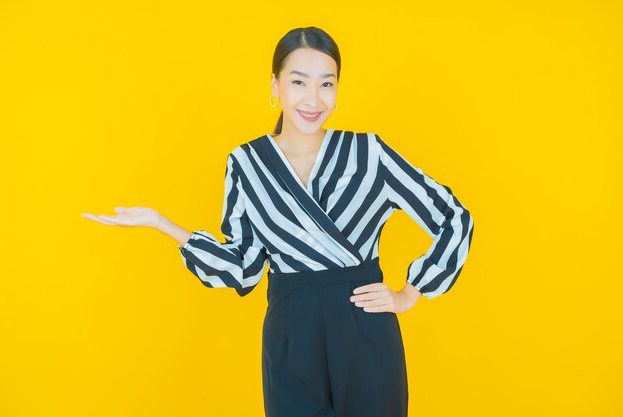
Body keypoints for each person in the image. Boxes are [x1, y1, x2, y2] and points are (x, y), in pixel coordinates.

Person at [82, 26, 475, 417]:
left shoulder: (368, 153)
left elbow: (453, 217)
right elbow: (243, 267)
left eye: (326, 84)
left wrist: (410, 293)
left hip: (364, 323)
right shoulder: (246, 164)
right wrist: (163, 224)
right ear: (275, 84)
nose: (313, 98)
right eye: (299, 81)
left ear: (338, 91)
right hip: (291, 331)